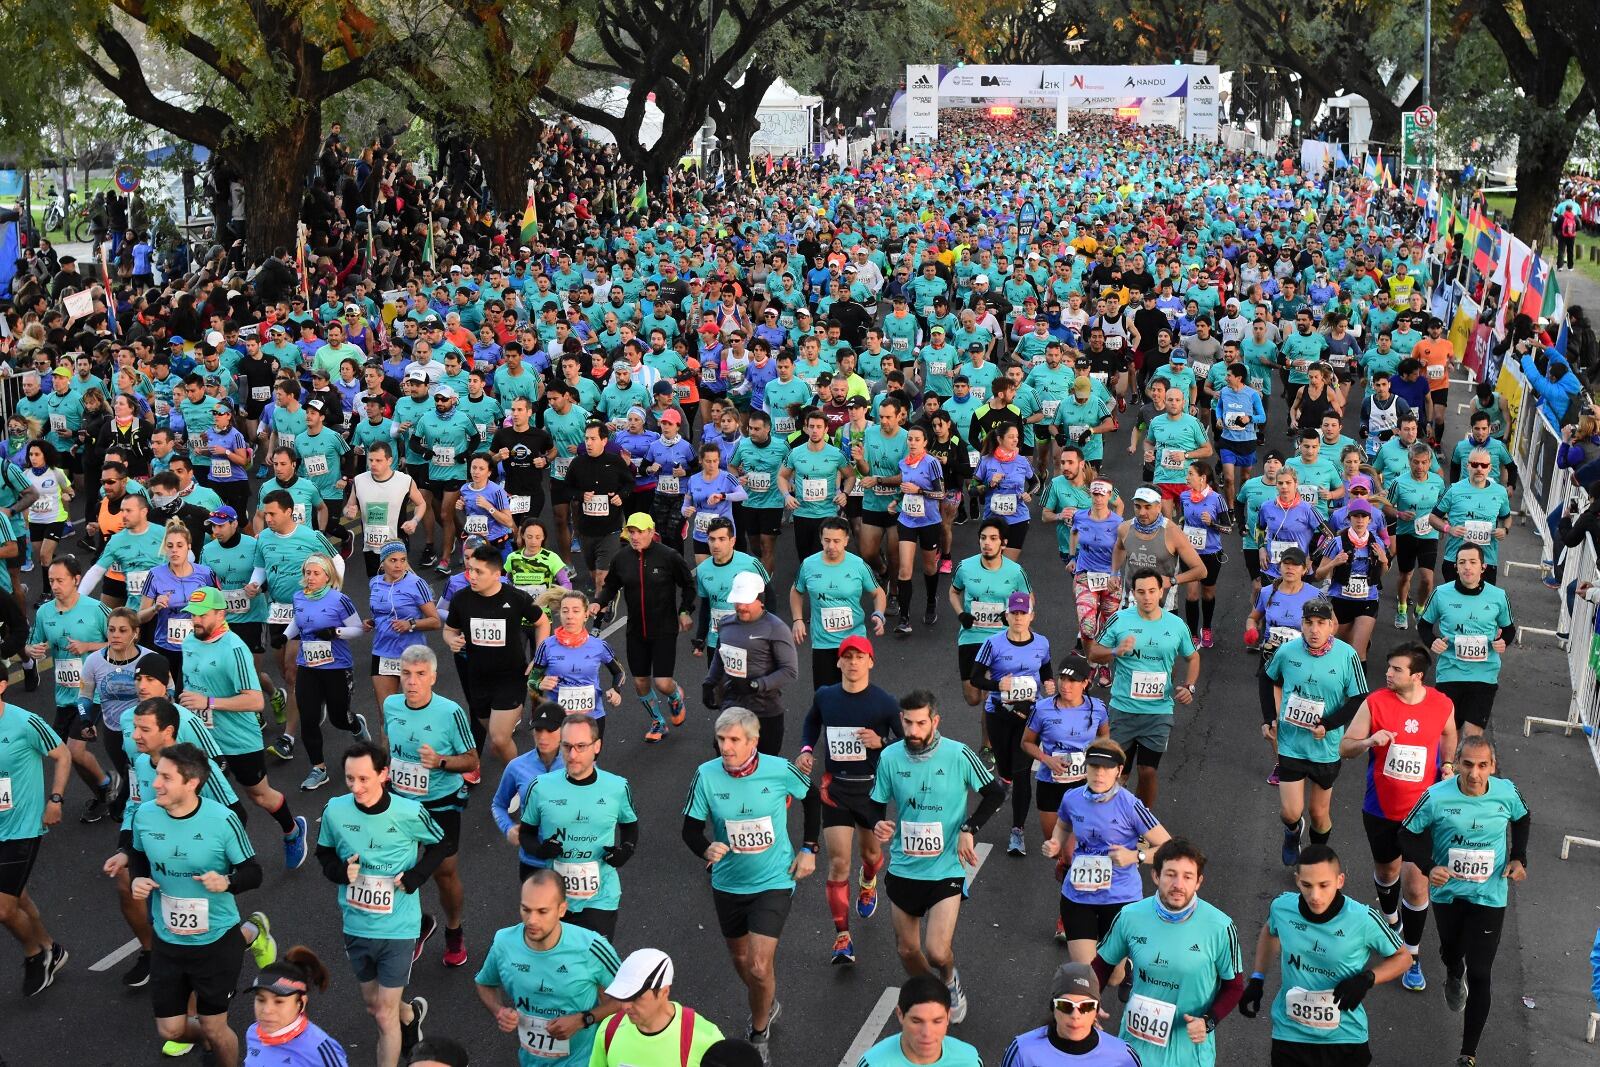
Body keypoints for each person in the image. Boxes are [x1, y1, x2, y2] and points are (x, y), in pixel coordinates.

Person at [681, 707, 819, 1059]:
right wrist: (705, 848)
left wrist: (809, 848)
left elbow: (813, 797)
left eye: (734, 740)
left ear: (753, 741)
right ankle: (767, 1000)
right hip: (728, 883)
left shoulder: (779, 770)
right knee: (741, 959)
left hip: (774, 880)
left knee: (758, 965)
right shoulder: (706, 775)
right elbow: (690, 829)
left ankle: (758, 1034)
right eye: (721, 739)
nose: (725, 747)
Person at [128, 742, 273, 1067]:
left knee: (215, 1028)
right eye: (157, 775)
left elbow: (253, 872)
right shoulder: (145, 815)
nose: (155, 783)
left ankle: (221, 1051)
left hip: (215, 942)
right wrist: (137, 879)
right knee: (170, 1030)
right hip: (167, 941)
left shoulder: (222, 820)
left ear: (191, 782)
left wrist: (228, 882)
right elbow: (138, 855)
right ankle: (209, 1039)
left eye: (166, 777)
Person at [870, 690, 1006, 1022]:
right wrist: (878, 823)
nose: (913, 731)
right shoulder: (890, 757)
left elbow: (995, 793)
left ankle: (948, 978)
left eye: (920, 723)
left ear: (935, 721)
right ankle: (936, 992)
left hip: (946, 867)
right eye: (907, 723)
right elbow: (876, 801)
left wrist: (969, 829)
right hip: (905, 866)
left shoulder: (958, 754)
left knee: (936, 951)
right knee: (907, 950)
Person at [1398, 735, 1530, 1067]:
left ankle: (1468, 1054)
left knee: (1481, 971)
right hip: (1449, 894)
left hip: (1489, 895)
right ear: (1456, 764)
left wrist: (1519, 857)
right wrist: (1429, 867)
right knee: (1452, 952)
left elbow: (1523, 817)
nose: (1475, 773)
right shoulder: (1436, 796)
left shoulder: (1506, 792)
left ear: (1493, 766)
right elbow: (1406, 833)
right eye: (1468, 764)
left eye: (1483, 765)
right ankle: (1454, 972)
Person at [316, 742, 449, 1067]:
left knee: (382, 1016)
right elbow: (324, 853)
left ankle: (398, 1028)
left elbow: (442, 843)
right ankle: (411, 1014)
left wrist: (417, 876)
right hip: (356, 923)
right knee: (373, 1004)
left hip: (398, 926)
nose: (356, 787)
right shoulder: (335, 810)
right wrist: (340, 872)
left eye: (363, 779)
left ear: (383, 774)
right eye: (350, 779)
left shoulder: (409, 812)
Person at [1336, 642, 1458, 992]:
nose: (1387, 673)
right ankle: (1391, 919)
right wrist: (1369, 741)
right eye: (1389, 667)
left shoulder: (1441, 704)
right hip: (1381, 809)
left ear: (1417, 675)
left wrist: (1448, 764)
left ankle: (1411, 955)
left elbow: (1449, 733)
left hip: (1423, 814)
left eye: (1396, 669)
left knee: (1417, 884)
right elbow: (1345, 747)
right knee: (1387, 872)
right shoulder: (1375, 703)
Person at [1238, 844, 1411, 1067]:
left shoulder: (1363, 918)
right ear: (1297, 880)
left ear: (1340, 881)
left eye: (1323, 885)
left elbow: (1404, 958)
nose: (1315, 896)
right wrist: (1257, 978)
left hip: (1344, 1038)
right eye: (1307, 885)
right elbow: (1270, 931)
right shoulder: (1282, 907)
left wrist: (1367, 978)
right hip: (1290, 1034)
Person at [795, 635, 901, 965]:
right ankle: (842, 937)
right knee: (839, 862)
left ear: (870, 662)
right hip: (835, 790)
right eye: (848, 657)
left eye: (860, 657)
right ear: (839, 662)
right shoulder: (826, 696)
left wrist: (881, 742)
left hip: (870, 792)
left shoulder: (884, 702)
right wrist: (807, 749)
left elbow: (906, 741)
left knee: (871, 854)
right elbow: (812, 721)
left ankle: (868, 880)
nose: (853, 663)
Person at [1091, 839, 1245, 1065]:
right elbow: (1101, 965)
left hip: (1189, 1054)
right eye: (1170, 874)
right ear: (1156, 876)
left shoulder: (1220, 927)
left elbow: (1234, 987)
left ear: (1198, 882)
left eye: (1187, 877)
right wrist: (1089, 1001)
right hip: (1135, 1048)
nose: (1178, 884)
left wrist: (1208, 1021)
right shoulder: (1130, 916)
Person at [383, 644, 479, 968]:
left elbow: (471, 760)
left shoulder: (450, 712)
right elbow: (388, 740)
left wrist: (440, 761)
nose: (412, 681)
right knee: (392, 870)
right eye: (406, 674)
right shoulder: (391, 704)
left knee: (444, 872)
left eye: (420, 674)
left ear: (433, 677)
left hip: (441, 804)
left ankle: (454, 930)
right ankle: (419, 923)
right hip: (401, 802)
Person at [474, 868, 625, 1067]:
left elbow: (627, 996)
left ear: (562, 910)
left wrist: (583, 1020)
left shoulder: (591, 946)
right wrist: (498, 1010)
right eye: (526, 909)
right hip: (530, 1061)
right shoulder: (503, 942)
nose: (532, 920)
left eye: (542, 911)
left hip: (583, 1061)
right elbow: (484, 983)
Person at [1042, 735, 1169, 970]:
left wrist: (1134, 856)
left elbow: (1168, 847)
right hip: (1078, 895)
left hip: (1120, 897)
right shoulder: (1072, 798)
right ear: (1086, 767)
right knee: (1085, 972)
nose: (1099, 774)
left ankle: (1125, 969)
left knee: (1113, 975)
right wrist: (1056, 843)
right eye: (1094, 766)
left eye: (1107, 768)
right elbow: (1063, 825)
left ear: (1118, 771)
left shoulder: (1130, 805)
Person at [1264, 597, 1368, 866]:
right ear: (1301, 624)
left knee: (1319, 814)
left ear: (1332, 626)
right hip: (1291, 743)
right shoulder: (1287, 651)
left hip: (1325, 747)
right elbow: (1267, 678)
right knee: (1290, 812)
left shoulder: (1347, 655)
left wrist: (1329, 725)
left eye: (1321, 623)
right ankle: (1292, 832)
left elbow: (1359, 697)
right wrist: (1269, 719)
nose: (1314, 629)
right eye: (1309, 623)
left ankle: (1315, 861)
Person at [1085, 567, 1199, 807]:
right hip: (1123, 709)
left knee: (1147, 771)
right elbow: (1093, 652)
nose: (1147, 597)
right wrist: (1115, 651)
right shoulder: (1120, 619)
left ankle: (1142, 818)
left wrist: (1189, 686)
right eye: (1141, 592)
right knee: (1116, 772)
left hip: (1158, 712)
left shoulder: (1177, 625)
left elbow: (1193, 657)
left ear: (1161, 592)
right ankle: (1111, 814)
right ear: (1133, 593)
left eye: (1152, 591)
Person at [519, 715, 639, 940]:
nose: (572, 755)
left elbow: (630, 826)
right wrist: (540, 850)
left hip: (600, 897)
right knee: (556, 959)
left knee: (592, 958)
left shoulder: (617, 787)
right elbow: (526, 833)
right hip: (553, 898)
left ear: (597, 746)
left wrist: (626, 850)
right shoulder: (541, 787)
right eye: (567, 747)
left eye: (581, 746)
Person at [26, 556, 117, 821]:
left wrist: (88, 646)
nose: (54, 586)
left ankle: (106, 785)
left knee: (74, 750)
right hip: (65, 695)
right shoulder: (44, 613)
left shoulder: (96, 609)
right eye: (51, 580)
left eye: (60, 580)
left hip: (93, 691)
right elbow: (31, 644)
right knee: (66, 753)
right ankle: (103, 791)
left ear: (76, 580)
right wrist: (32, 650)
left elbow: (123, 641)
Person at [0, 667, 72, 996]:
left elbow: (63, 754)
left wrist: (55, 799)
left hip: (22, 828)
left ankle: (34, 955)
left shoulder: (25, 722)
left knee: (3, 908)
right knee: (19, 896)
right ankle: (50, 948)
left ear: (2, 685)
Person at [594, 513, 695, 742]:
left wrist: (685, 611)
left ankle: (675, 695)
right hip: (636, 631)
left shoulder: (668, 556)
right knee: (640, 681)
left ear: (651, 532)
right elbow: (611, 586)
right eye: (631, 532)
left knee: (662, 683)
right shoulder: (621, 559)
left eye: (640, 532)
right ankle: (658, 722)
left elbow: (688, 585)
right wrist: (598, 602)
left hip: (664, 629)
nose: (635, 536)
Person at [970, 591, 1054, 855]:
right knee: (1005, 767)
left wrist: (1049, 684)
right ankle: (1003, 783)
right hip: (999, 713)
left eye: (1023, 613)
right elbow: (975, 678)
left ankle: (1017, 831)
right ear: (1006, 616)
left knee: (1021, 772)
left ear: (1031, 616)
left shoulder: (1042, 643)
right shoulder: (992, 644)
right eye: (1014, 613)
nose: (1018, 618)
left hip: (1029, 715)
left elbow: (1046, 669)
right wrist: (998, 685)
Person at [444, 543, 537, 769]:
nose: (472, 576)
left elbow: (542, 622)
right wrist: (451, 640)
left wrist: (539, 656)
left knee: (499, 738)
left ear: (497, 574)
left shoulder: (516, 598)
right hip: (477, 679)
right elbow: (449, 629)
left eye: (479, 572)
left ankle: (520, 780)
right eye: (470, 570)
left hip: (510, 677)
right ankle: (514, 766)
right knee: (496, 740)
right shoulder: (461, 599)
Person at [283, 553, 366, 791]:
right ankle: (318, 769)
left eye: (316, 573)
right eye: (307, 573)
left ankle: (356, 725)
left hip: (336, 666)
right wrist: (285, 636)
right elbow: (299, 621)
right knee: (308, 718)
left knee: (338, 718)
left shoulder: (339, 599)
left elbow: (358, 629)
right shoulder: (299, 596)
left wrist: (335, 632)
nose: (310, 577)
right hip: (308, 665)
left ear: (328, 576)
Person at [1418, 543, 1515, 737]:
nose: (1467, 567)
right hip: (1450, 672)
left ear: (1483, 567)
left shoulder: (1498, 596)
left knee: (1472, 736)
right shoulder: (1441, 593)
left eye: (1472, 562)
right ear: (1456, 567)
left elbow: (1509, 629)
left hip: (1484, 674)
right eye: (1462, 562)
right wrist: (1432, 642)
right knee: (1448, 734)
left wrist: (1503, 641)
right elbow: (1424, 625)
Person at [705, 572, 799, 754]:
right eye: (737, 601)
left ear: (760, 600)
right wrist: (709, 683)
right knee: (726, 758)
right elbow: (720, 655)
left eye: (746, 602)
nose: (741, 607)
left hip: (764, 711)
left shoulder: (776, 628)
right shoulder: (725, 624)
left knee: (764, 764)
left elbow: (789, 671)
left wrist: (756, 685)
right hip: (732, 707)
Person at [789, 517, 886, 689]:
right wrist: (797, 619)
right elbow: (796, 591)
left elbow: (878, 593)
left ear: (846, 541)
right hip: (823, 642)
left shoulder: (858, 565)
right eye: (827, 540)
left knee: (854, 692)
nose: (831, 546)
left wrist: (879, 614)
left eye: (836, 541)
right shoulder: (809, 565)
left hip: (854, 641)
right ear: (821, 539)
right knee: (824, 695)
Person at [587, 947, 725, 1067]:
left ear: (664, 992)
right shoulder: (608, 1030)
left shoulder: (706, 1039)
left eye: (636, 997)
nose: (625, 1006)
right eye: (624, 996)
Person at [1001, 963, 1141, 1066]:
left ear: (1096, 1010)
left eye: (1086, 1006)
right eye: (1066, 1005)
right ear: (1053, 1007)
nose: (1075, 1015)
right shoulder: (1022, 1051)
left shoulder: (1124, 1057)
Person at [366, 540, 441, 720]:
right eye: (393, 560)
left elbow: (435, 621)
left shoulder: (417, 583)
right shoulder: (375, 583)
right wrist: (372, 622)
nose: (399, 565)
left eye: (403, 560)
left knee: (417, 711)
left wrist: (411, 624)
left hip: (412, 654)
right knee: (387, 715)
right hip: (383, 652)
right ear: (382, 562)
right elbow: (381, 614)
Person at [532, 590, 625, 733]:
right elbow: (532, 680)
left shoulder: (599, 646)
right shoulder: (547, 646)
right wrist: (539, 683)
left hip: (592, 718)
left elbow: (619, 672)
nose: (570, 616)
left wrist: (616, 690)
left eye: (576, 611)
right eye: (565, 611)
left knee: (590, 749)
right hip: (557, 718)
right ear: (560, 614)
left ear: (586, 614)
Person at [245, 947, 351, 1067]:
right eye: (261, 1000)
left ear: (301, 1003)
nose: (266, 1010)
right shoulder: (253, 1033)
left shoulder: (319, 1050)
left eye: (279, 1001)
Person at [857, 975, 982, 1067]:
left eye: (937, 1021)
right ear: (900, 1014)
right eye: (916, 1021)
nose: (927, 1033)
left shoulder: (970, 1061)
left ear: (948, 1016)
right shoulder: (873, 1063)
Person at [346, 441, 427, 577]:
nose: (373, 464)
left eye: (378, 460)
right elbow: (349, 507)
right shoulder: (359, 480)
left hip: (396, 545)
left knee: (397, 584)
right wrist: (349, 513)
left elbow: (421, 504)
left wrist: (414, 521)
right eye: (370, 460)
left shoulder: (404, 481)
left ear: (389, 460)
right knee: (376, 584)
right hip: (370, 546)